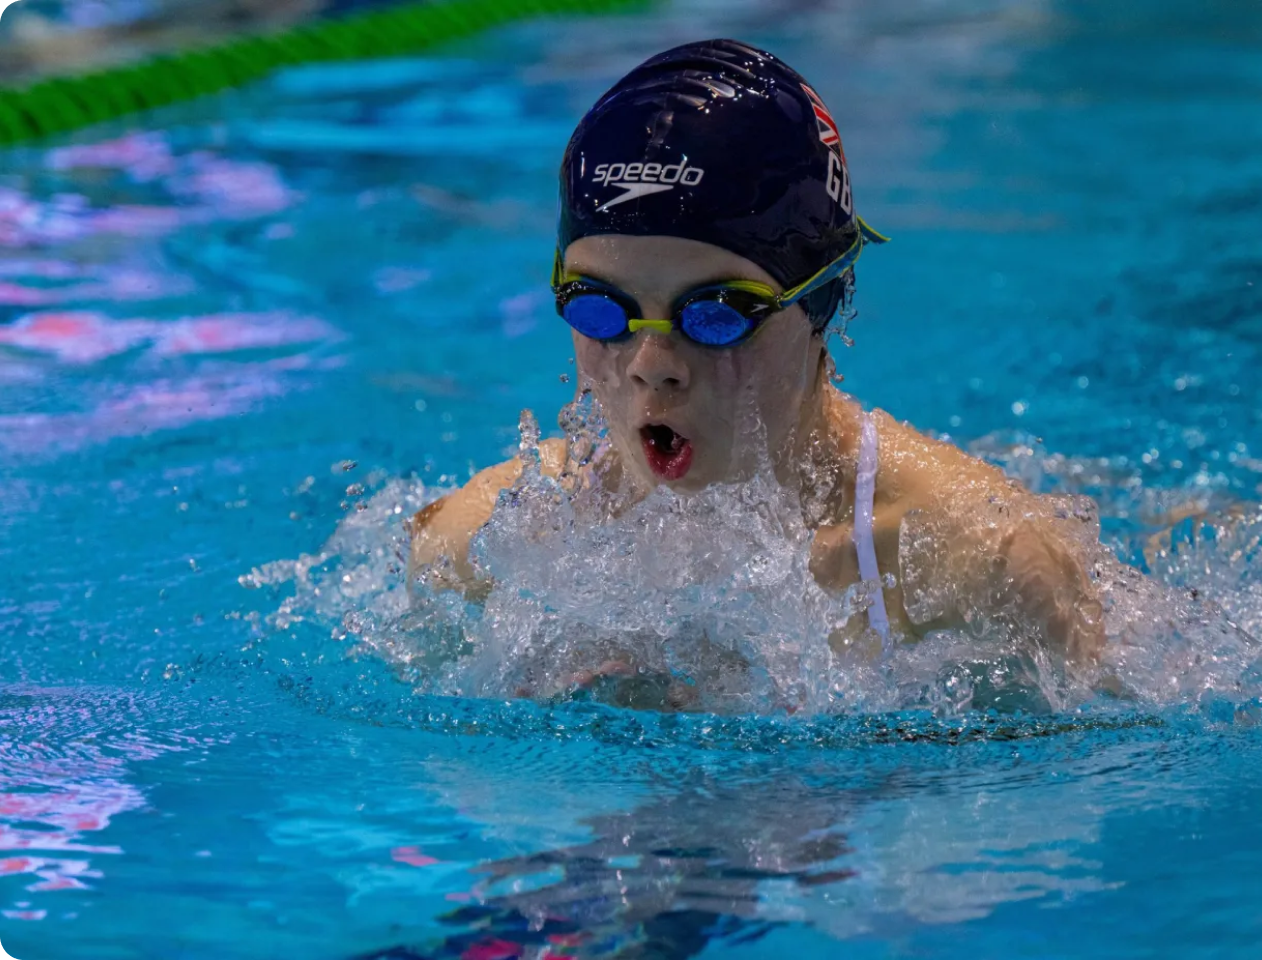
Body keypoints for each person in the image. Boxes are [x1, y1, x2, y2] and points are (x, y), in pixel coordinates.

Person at [410, 39, 1105, 687]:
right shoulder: (481, 549)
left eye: (714, 314)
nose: (652, 366)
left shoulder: (980, 565)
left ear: (819, 305)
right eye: (602, 310)